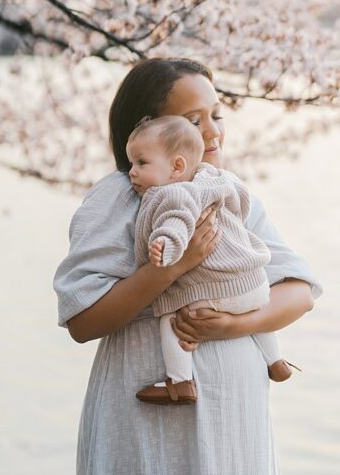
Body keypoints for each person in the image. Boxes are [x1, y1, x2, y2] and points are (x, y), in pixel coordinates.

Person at [53, 57, 322, 475]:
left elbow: (299, 289)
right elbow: (83, 321)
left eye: (216, 115)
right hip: (145, 410)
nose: (212, 131)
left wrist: (237, 324)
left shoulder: (228, 191)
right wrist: (172, 269)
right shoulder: (120, 197)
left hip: (232, 410)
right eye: (194, 119)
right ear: (148, 128)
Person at [125, 114, 292, 405]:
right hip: (253, 284)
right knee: (258, 309)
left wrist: (165, 246)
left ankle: (179, 382)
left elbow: (176, 222)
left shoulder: (172, 193)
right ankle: (276, 361)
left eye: (141, 163)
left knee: (169, 318)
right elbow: (242, 204)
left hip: (212, 296)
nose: (132, 173)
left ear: (177, 166)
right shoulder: (218, 180)